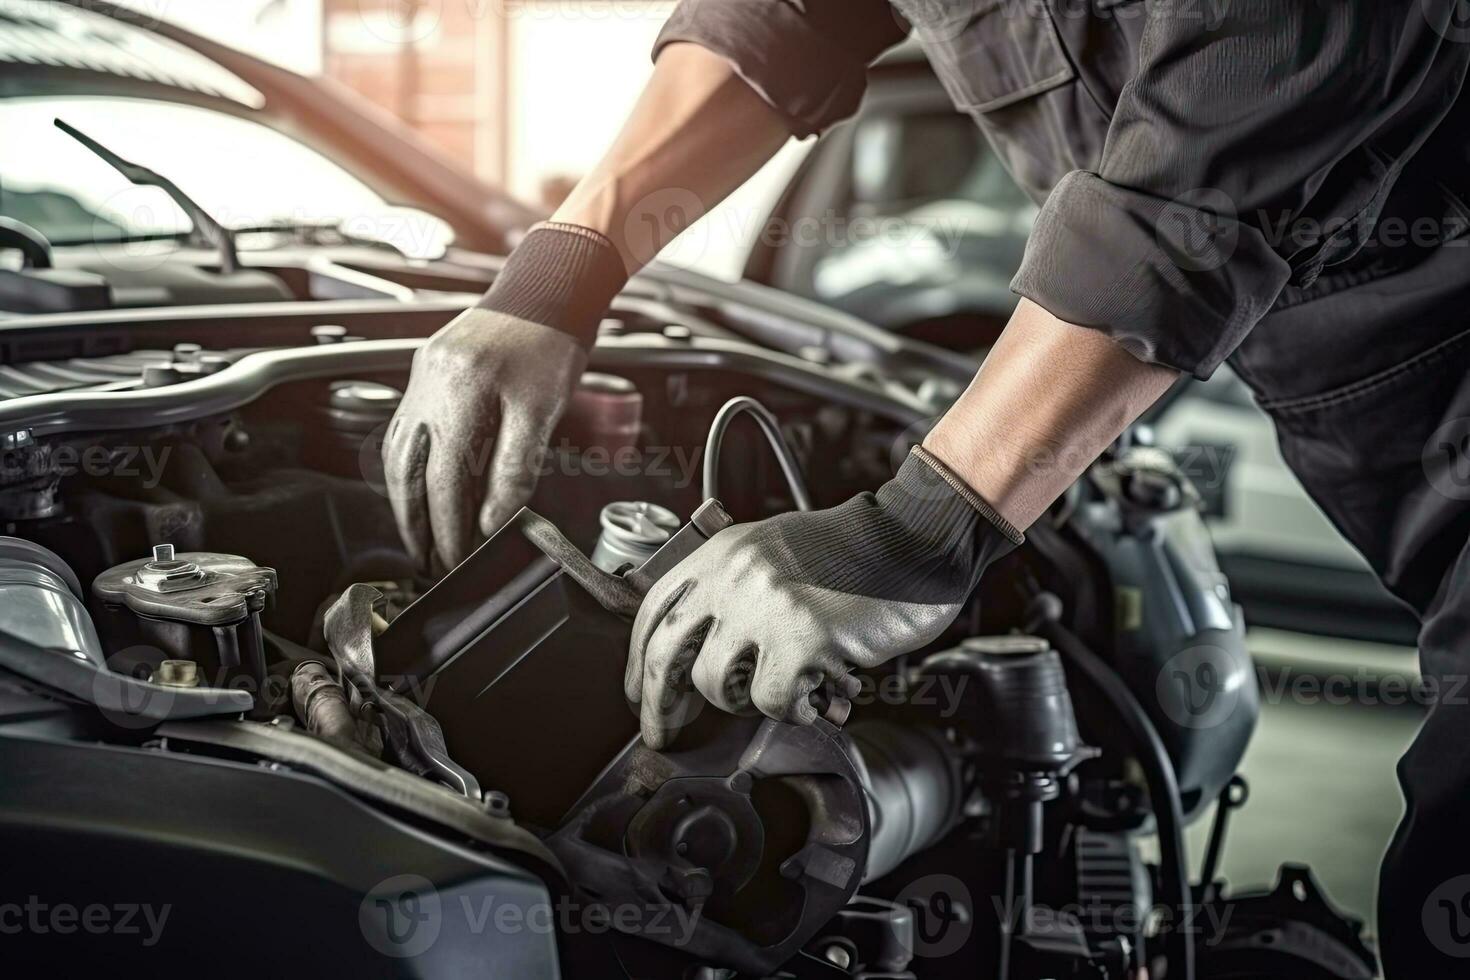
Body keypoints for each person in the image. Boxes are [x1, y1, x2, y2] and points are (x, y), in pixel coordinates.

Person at [381, 2, 1470, 974]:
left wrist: (924, 519)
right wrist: (560, 271)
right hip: (1365, 402)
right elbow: (789, 16)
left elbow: (1238, 110)